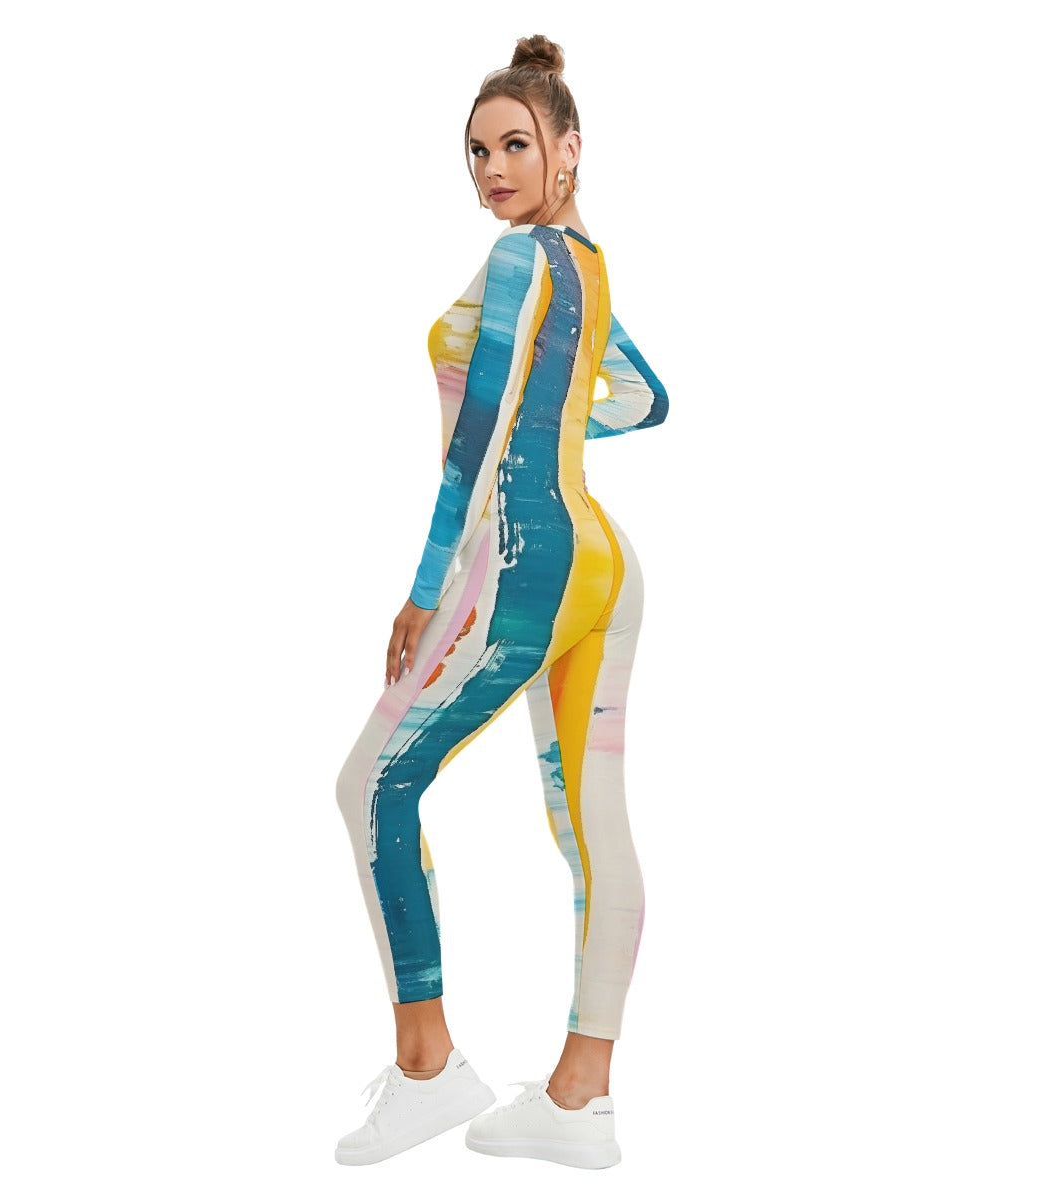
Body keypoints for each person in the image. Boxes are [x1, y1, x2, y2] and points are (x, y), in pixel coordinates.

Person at [333, 33, 669, 1170]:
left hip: (524, 561)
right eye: (477, 151)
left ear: (569, 148)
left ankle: (428, 1069)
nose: (492, 169)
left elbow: (478, 435)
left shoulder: (524, 259)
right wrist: (558, 428)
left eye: (516, 145)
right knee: (590, 827)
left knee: (372, 785)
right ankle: (581, 1096)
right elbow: (641, 397)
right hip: (600, 561)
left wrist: (425, 591)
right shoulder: (588, 266)